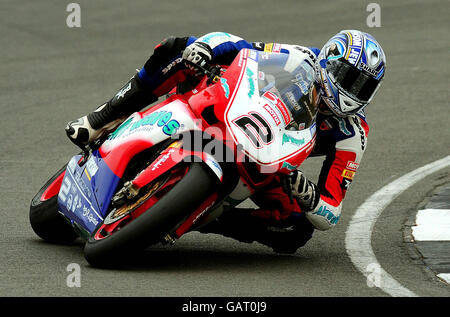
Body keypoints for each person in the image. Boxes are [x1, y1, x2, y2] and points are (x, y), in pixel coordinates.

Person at [66, 31, 386, 254]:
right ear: (329, 61)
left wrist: (310, 197)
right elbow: (237, 45)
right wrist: (205, 51)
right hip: (230, 108)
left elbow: (331, 211)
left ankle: (209, 219)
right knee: (177, 48)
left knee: (296, 230)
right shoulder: (301, 57)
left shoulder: (353, 134)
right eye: (347, 76)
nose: (351, 90)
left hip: (269, 159)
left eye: (363, 85)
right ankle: (100, 119)